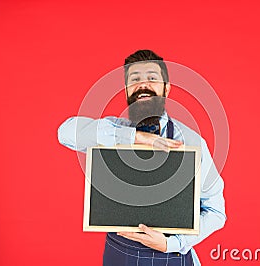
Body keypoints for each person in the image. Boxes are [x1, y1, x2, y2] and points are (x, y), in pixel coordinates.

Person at [57, 50, 226, 265]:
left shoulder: (191, 143)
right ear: (127, 90)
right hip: (119, 256)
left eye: (152, 78)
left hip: (171, 257)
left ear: (166, 88)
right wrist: (136, 138)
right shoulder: (110, 132)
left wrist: (172, 244)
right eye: (134, 79)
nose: (142, 85)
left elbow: (216, 211)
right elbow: (65, 132)